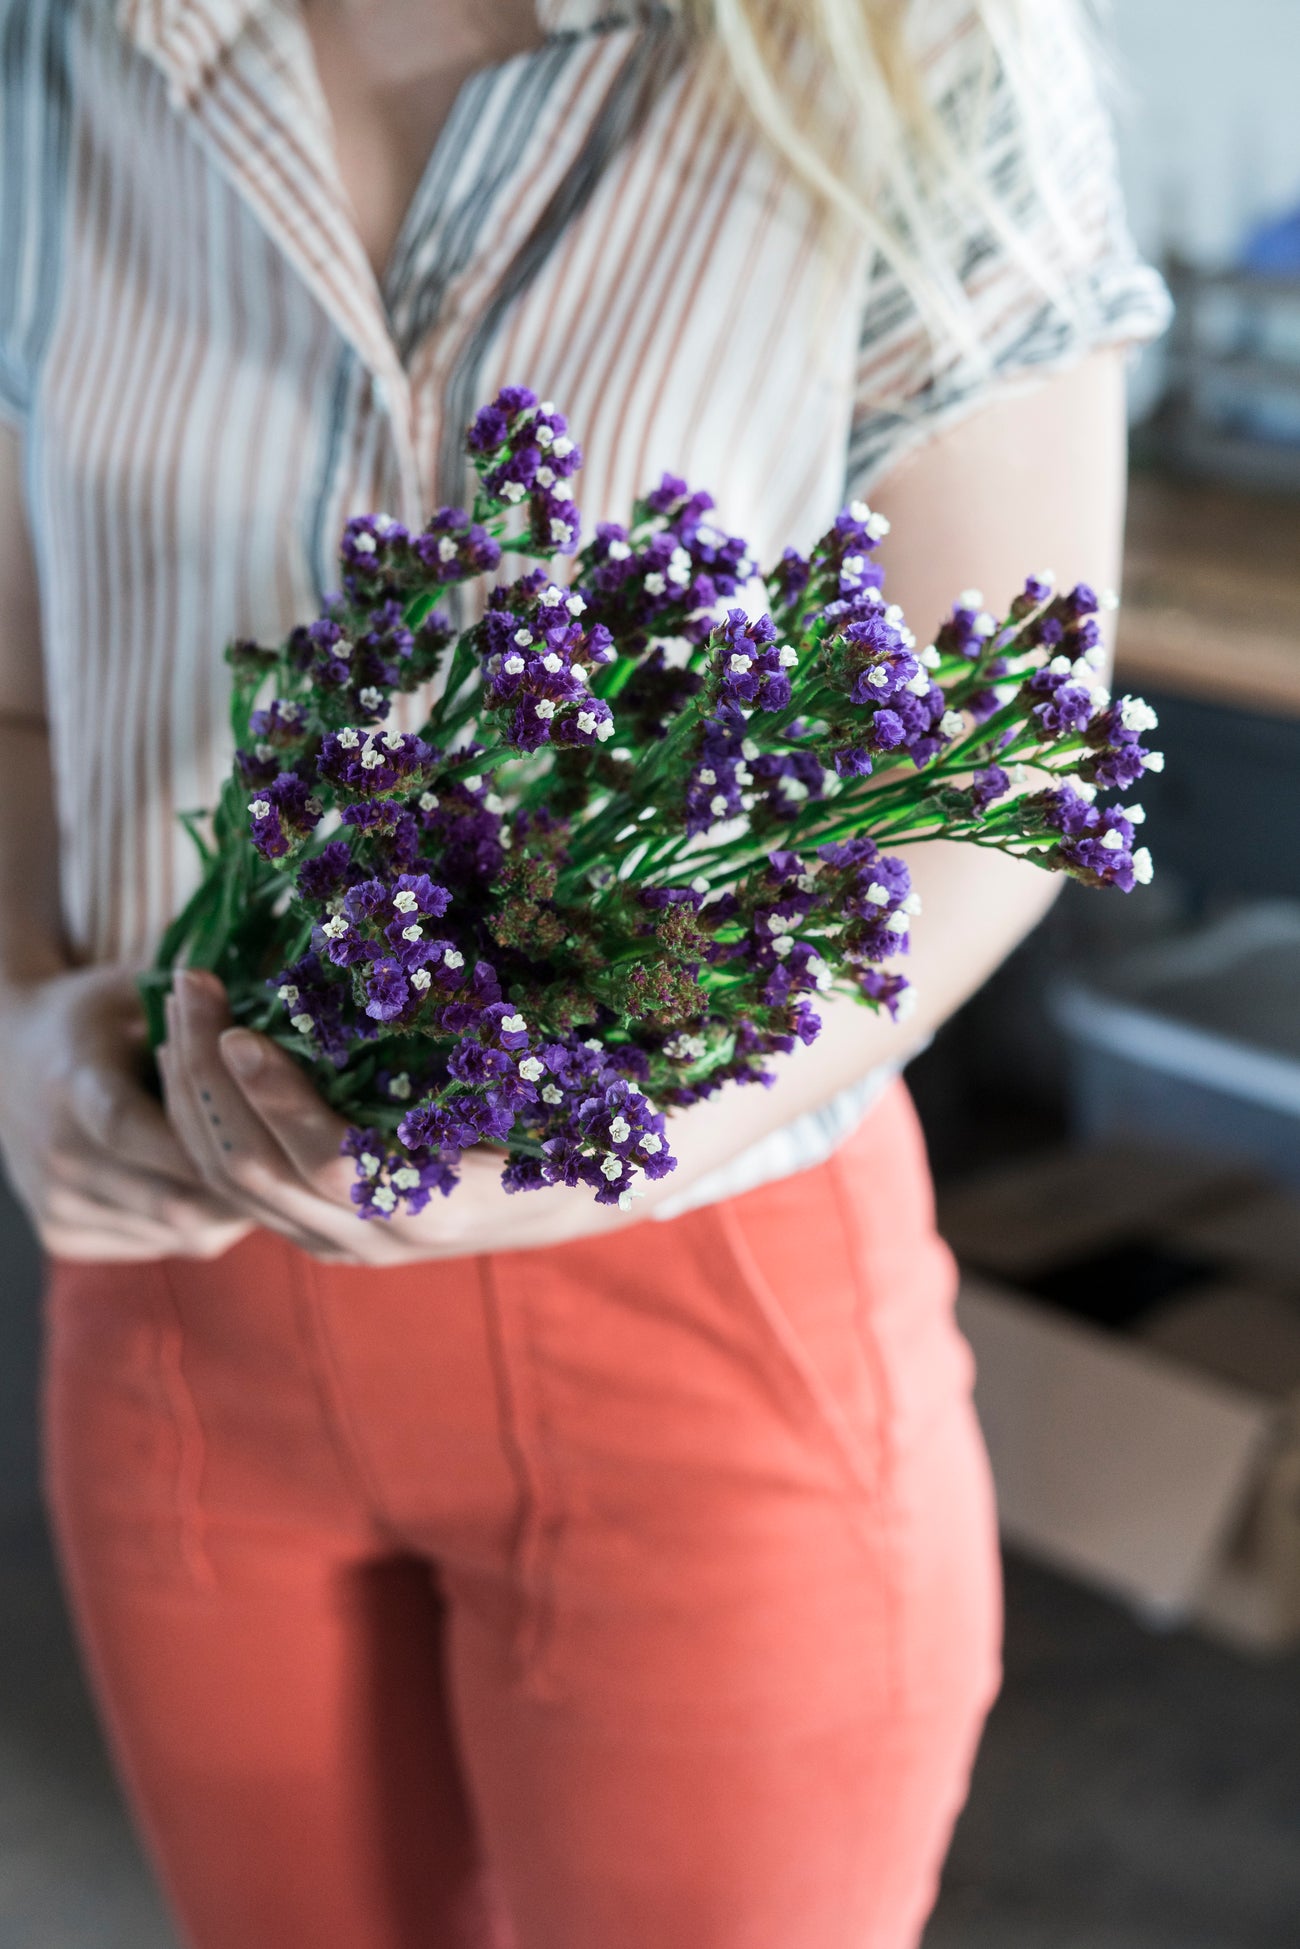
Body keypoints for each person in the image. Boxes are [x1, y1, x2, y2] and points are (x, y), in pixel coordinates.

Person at [0, 1, 1167, 1943]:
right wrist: (27, 1025)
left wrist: (591, 1120)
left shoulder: (904, 47)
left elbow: (997, 776)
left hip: (696, 1312)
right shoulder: (54, 52)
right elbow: (13, 702)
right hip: (177, 1317)